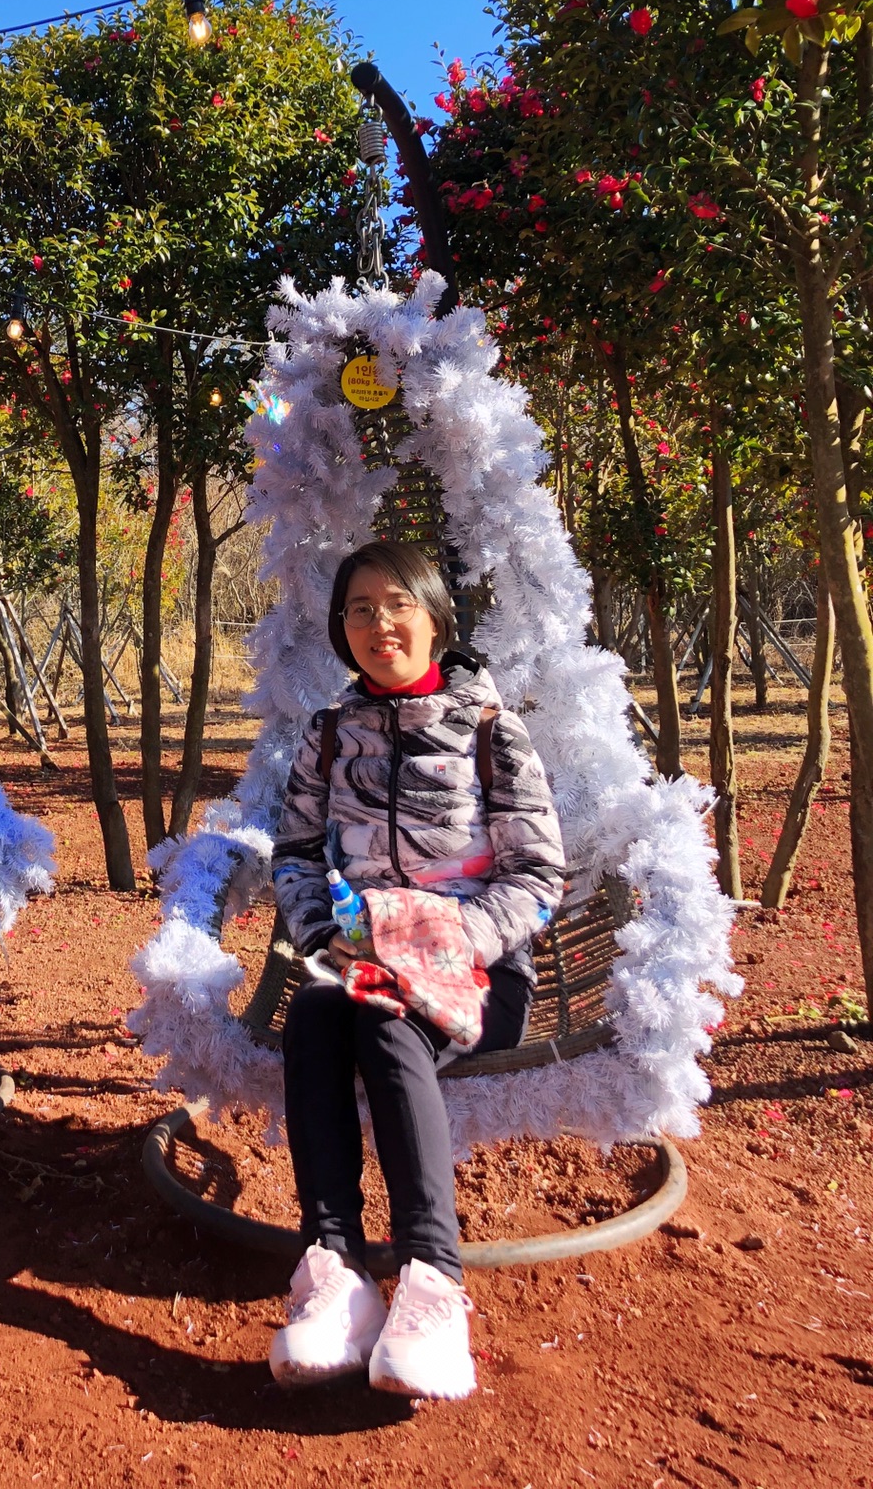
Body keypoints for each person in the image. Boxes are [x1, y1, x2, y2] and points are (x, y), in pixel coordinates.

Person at [268, 541, 565, 1398]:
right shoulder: (328, 736)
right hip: (364, 958)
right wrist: (322, 933)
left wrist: (451, 941)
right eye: (358, 609)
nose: (377, 624)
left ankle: (433, 1285)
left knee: (387, 1024)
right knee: (320, 1016)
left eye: (396, 604)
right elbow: (293, 850)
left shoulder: (488, 730)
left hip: (481, 966)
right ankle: (336, 1271)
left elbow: (538, 875)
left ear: (436, 618)